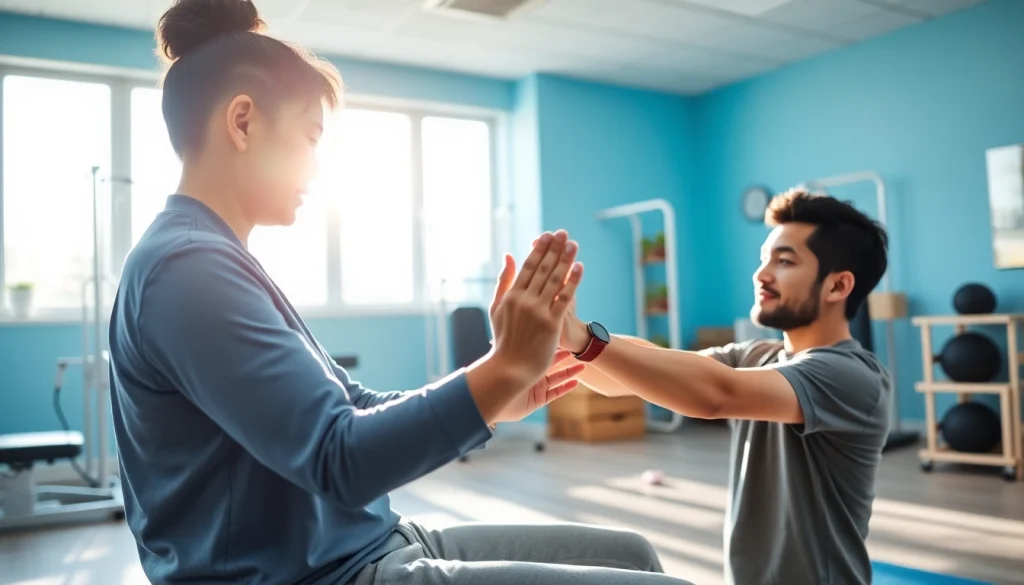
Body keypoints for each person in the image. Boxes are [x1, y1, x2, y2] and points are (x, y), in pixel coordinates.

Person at [107, 1, 697, 584]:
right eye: (312, 136)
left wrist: (494, 391)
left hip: (368, 543)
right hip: (321, 576)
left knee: (632, 553)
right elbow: (340, 461)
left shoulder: (212, 257)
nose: (315, 168)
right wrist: (505, 366)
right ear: (242, 122)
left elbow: (351, 405)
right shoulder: (186, 271)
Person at [561, 188, 893, 585]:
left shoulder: (852, 375)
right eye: (763, 259)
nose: (761, 274)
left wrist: (584, 340)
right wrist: (556, 343)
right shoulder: (757, 355)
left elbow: (715, 395)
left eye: (784, 261)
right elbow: (649, 371)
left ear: (837, 287)